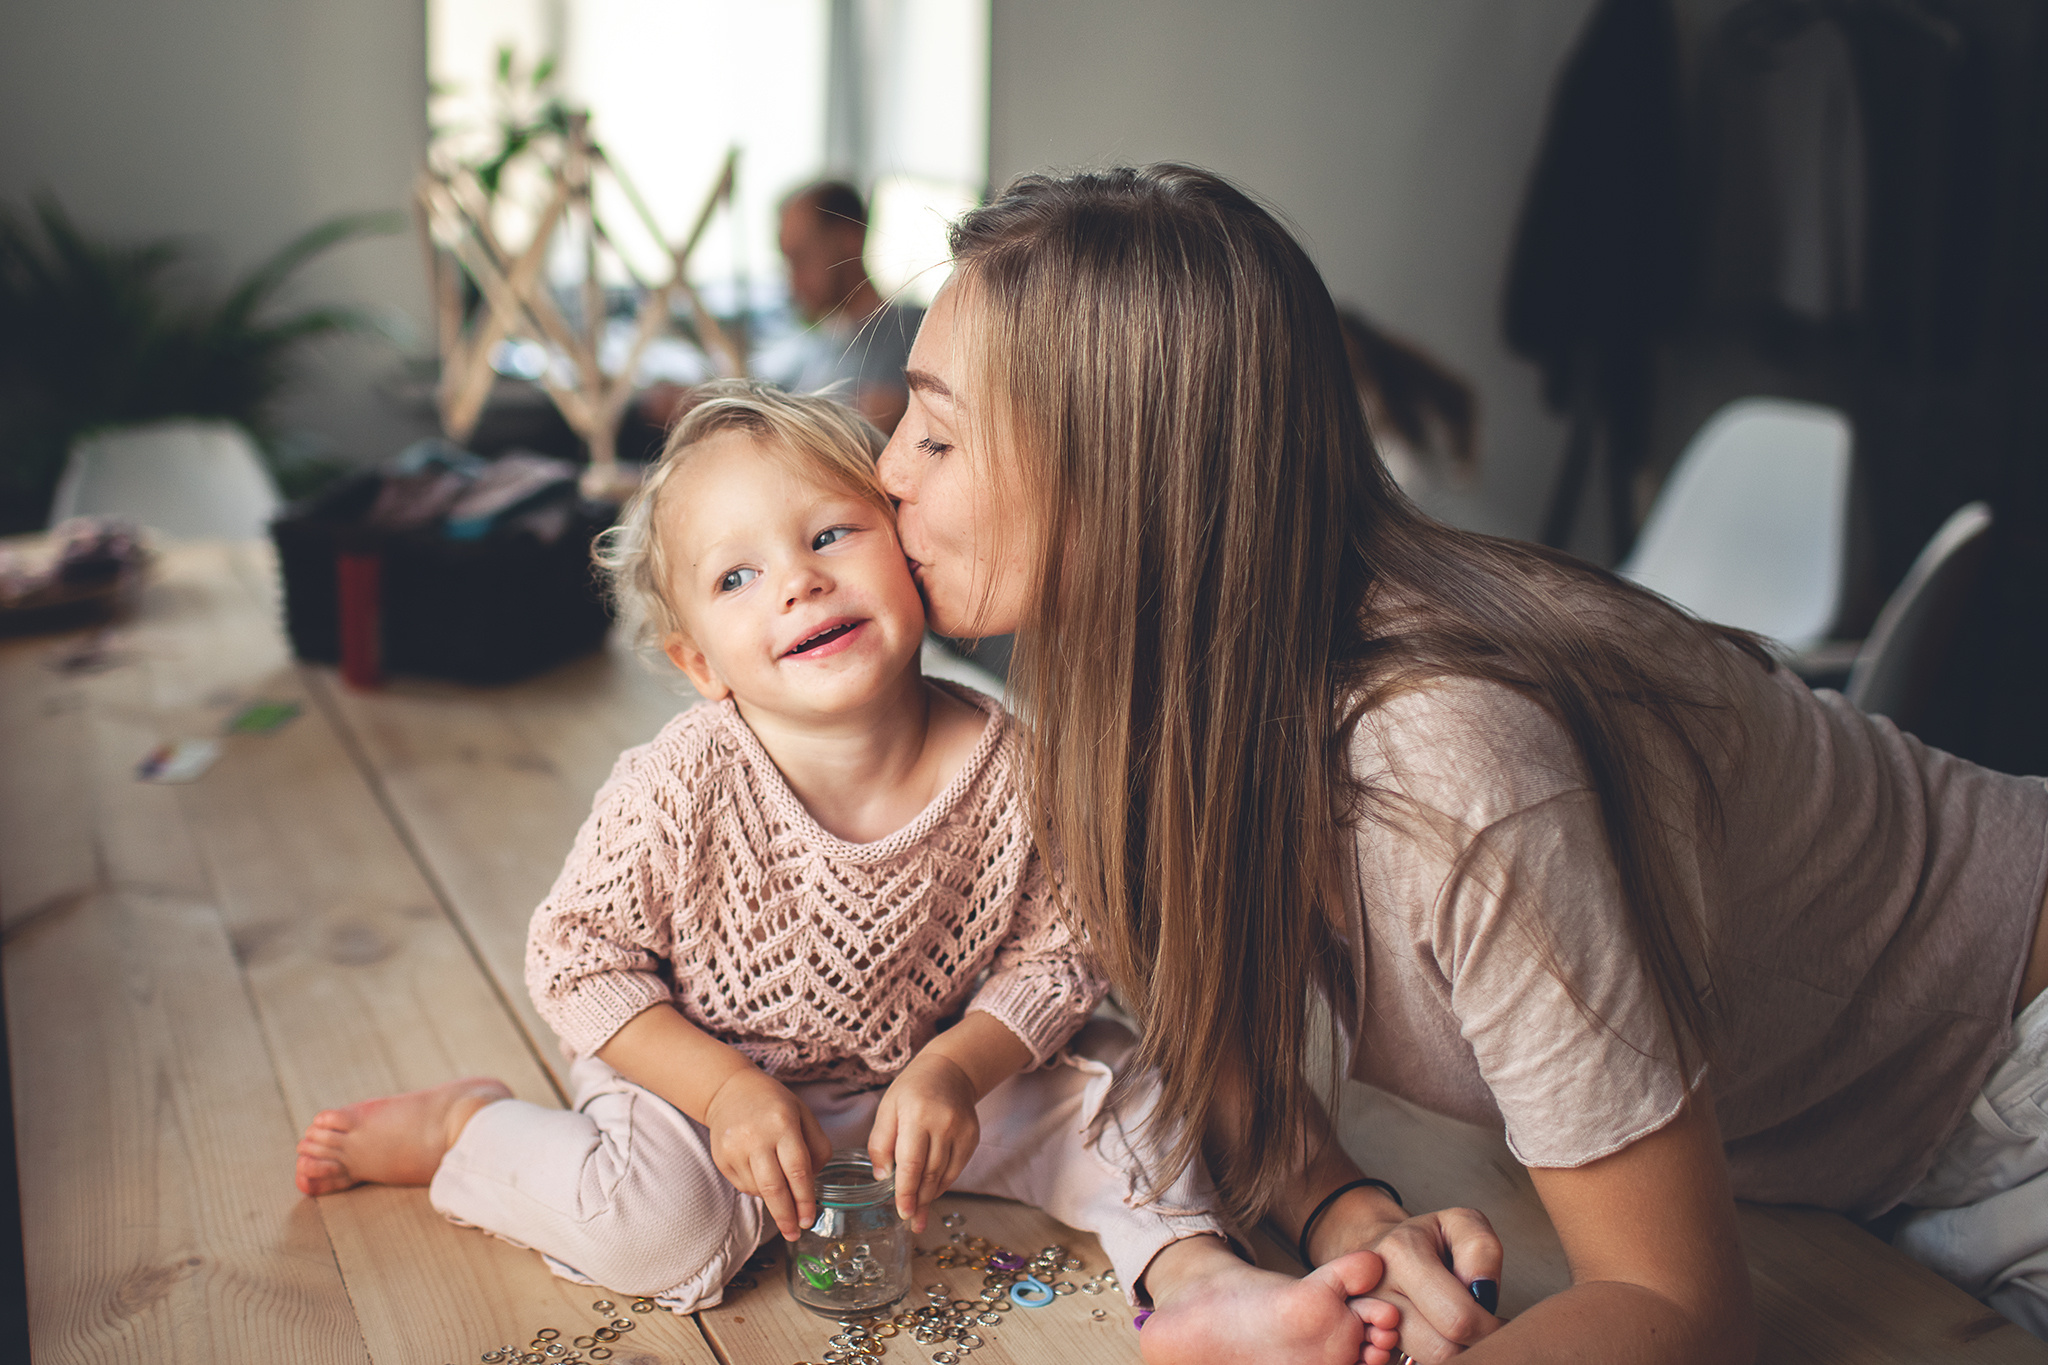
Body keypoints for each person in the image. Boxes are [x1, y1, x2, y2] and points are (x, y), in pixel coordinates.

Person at [875, 164, 2048, 1365]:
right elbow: (1215, 1054)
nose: (887, 476)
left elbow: (1678, 1310)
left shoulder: (1444, 756)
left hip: (2008, 1085)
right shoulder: (1140, 710)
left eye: (936, 432)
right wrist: (1347, 1207)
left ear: (1119, 468)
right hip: (1811, 1148)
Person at [290, 381, 1395, 1337]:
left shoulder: (1017, 766)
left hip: (926, 1085)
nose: (796, 583)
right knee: (650, 1228)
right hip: (703, 1084)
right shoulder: (680, 782)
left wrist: (958, 1068)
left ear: (905, 550)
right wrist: (722, 1092)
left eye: (830, 535)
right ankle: (462, 1134)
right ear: (697, 662)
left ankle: (1196, 1280)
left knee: (1128, 1090)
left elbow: (1060, 959)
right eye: (735, 579)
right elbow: (580, 964)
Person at [751, 180, 923, 434]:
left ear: (849, 239)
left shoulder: (907, 331)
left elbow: (862, 441)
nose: (792, 282)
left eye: (801, 258)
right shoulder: (820, 343)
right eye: (786, 262)